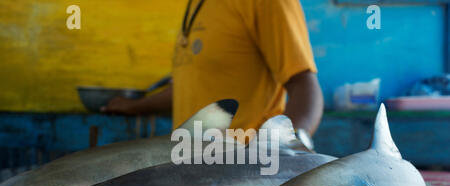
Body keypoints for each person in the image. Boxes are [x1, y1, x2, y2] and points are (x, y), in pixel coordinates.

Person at [101, 0, 323, 150]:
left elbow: (303, 84)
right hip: (188, 168)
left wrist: (288, 149)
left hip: (240, 175)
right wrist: (134, 106)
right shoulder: (198, 5)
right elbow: (190, 87)